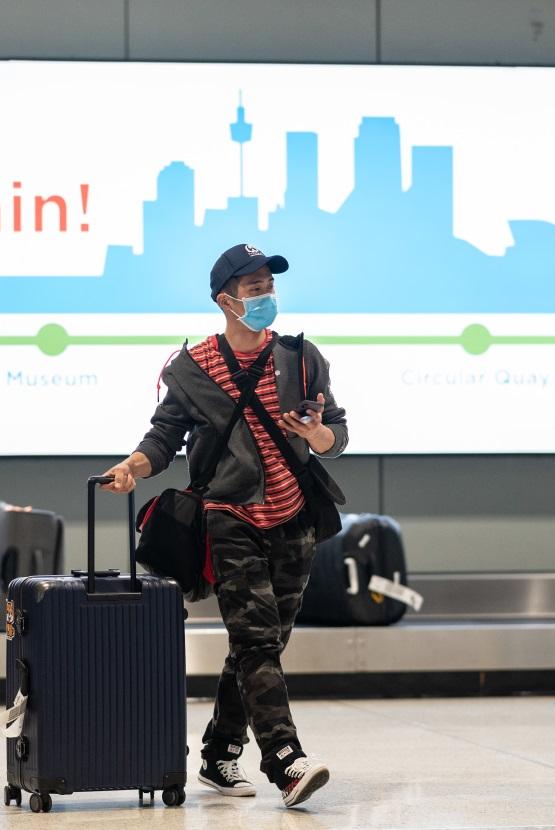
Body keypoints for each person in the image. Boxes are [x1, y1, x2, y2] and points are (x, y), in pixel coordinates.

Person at [100, 243, 348, 808]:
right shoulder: (190, 370)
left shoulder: (302, 358)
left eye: (269, 285)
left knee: (261, 646)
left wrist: (318, 437)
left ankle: (218, 753)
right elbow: (163, 439)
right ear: (225, 300)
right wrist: (132, 467)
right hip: (229, 517)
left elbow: (336, 434)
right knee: (257, 641)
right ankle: (286, 762)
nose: (265, 296)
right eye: (253, 287)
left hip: (294, 518)